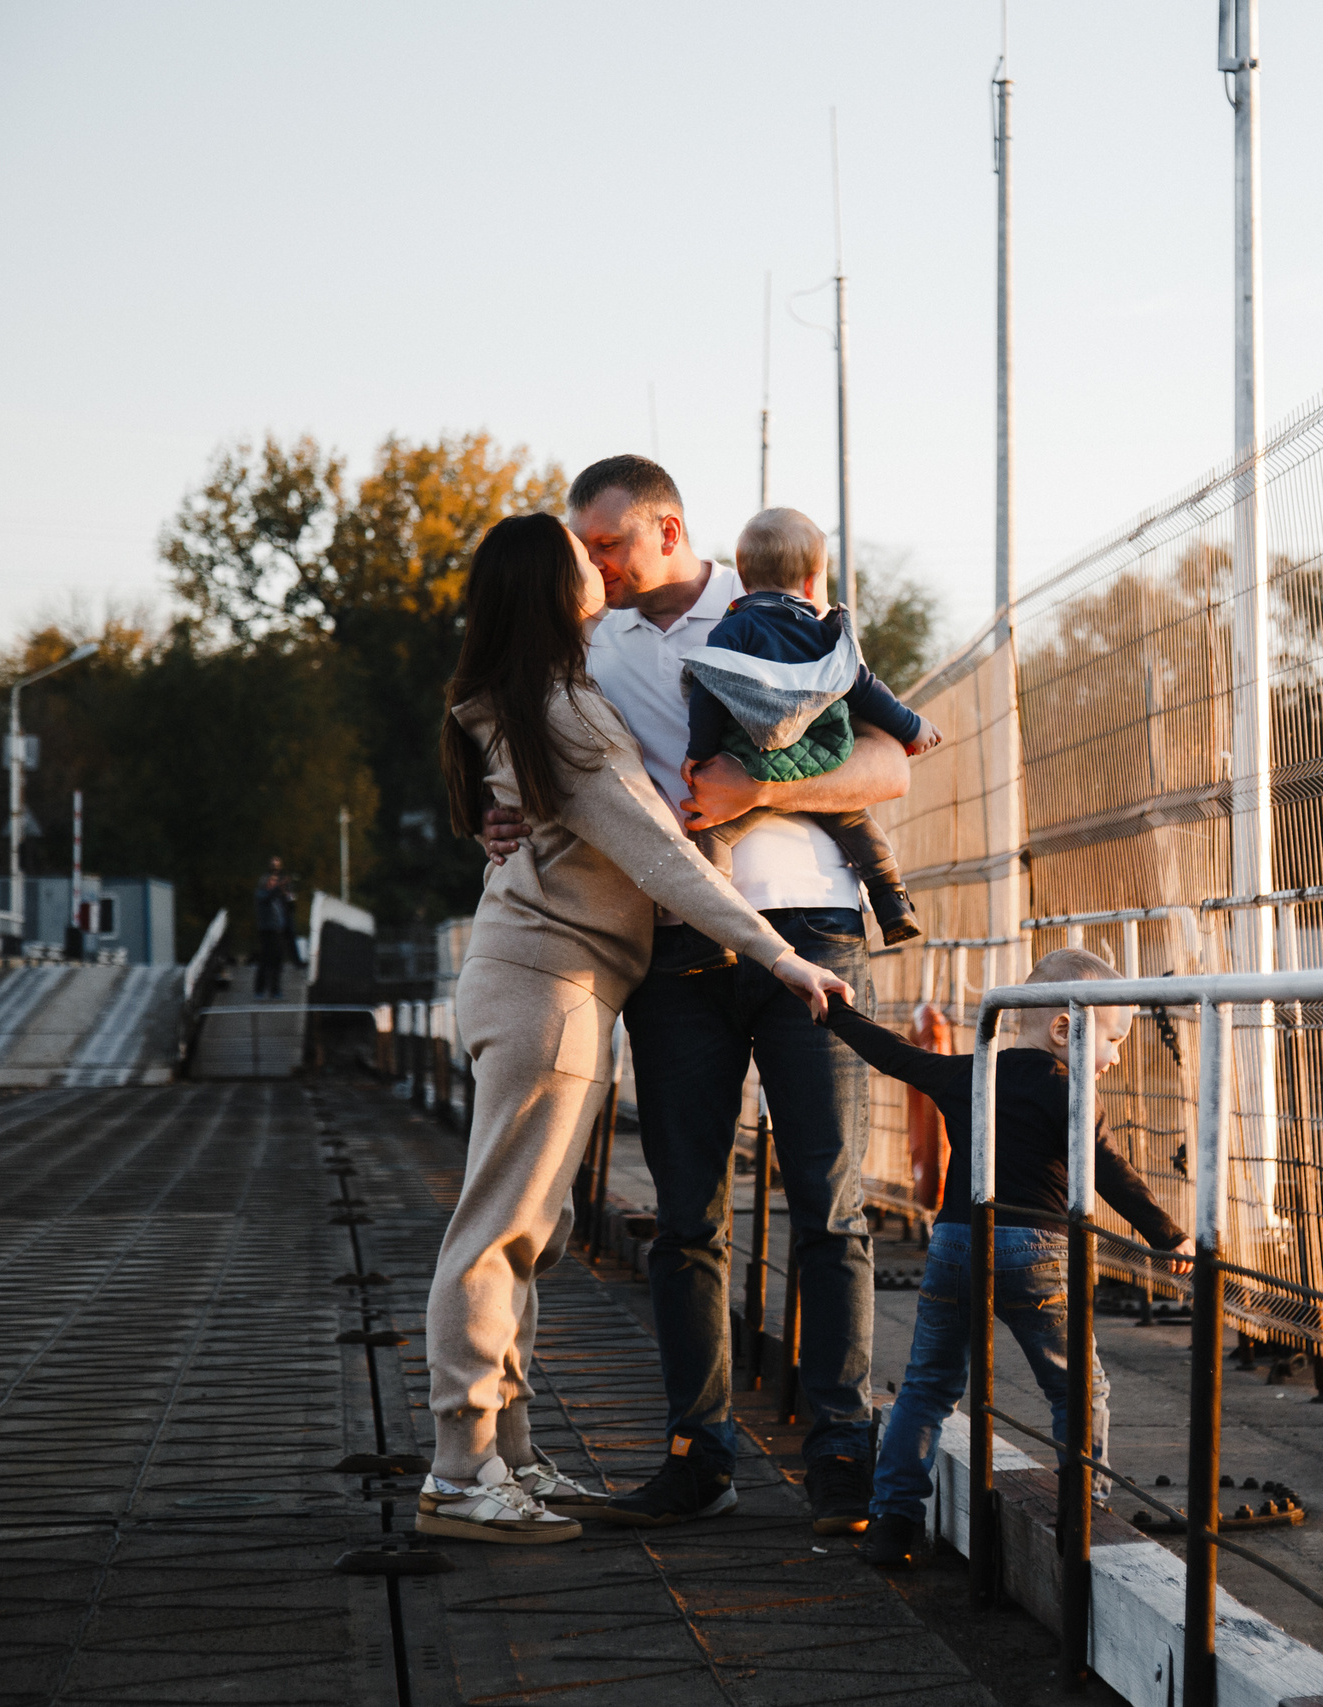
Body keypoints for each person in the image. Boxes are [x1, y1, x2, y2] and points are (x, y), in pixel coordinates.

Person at [482, 455, 909, 1534]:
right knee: (686, 1218)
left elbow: (889, 763)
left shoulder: (782, 600)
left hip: (808, 928)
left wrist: (759, 787)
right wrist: (499, 819)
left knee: (831, 1204)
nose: (594, 563)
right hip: (670, 952)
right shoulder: (587, 643)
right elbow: (532, 763)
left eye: (608, 543)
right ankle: (696, 1455)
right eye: (584, 549)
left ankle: (841, 1452)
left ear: (668, 530)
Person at [815, 947, 1191, 1569]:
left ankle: (892, 1523)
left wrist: (833, 1011)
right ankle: (1082, 1514)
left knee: (929, 1388)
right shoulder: (1070, 1092)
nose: (1116, 1057)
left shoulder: (967, 1072)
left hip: (957, 1243)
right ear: (1065, 1028)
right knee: (1077, 1389)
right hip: (1037, 1252)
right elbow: (1107, 1171)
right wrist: (1166, 1233)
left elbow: (892, 1053)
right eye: (1114, 1040)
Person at [680, 506, 939, 945]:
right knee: (853, 819)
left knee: (710, 832)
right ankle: (891, 898)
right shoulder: (825, 634)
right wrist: (913, 728)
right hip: (821, 753)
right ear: (809, 582)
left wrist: (699, 753)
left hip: (752, 759)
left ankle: (714, 926)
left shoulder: (731, 632)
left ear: (743, 580)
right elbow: (865, 689)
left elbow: (707, 694)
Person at [252, 858, 297, 998]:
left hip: (278, 931)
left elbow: (290, 907)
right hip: (267, 931)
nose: (273, 883)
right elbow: (269, 896)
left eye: (274, 881)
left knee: (278, 961)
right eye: (271, 881)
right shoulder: (261, 894)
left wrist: (288, 895)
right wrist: (280, 886)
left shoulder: (277, 896)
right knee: (265, 960)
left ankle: (275, 990)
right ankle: (259, 990)